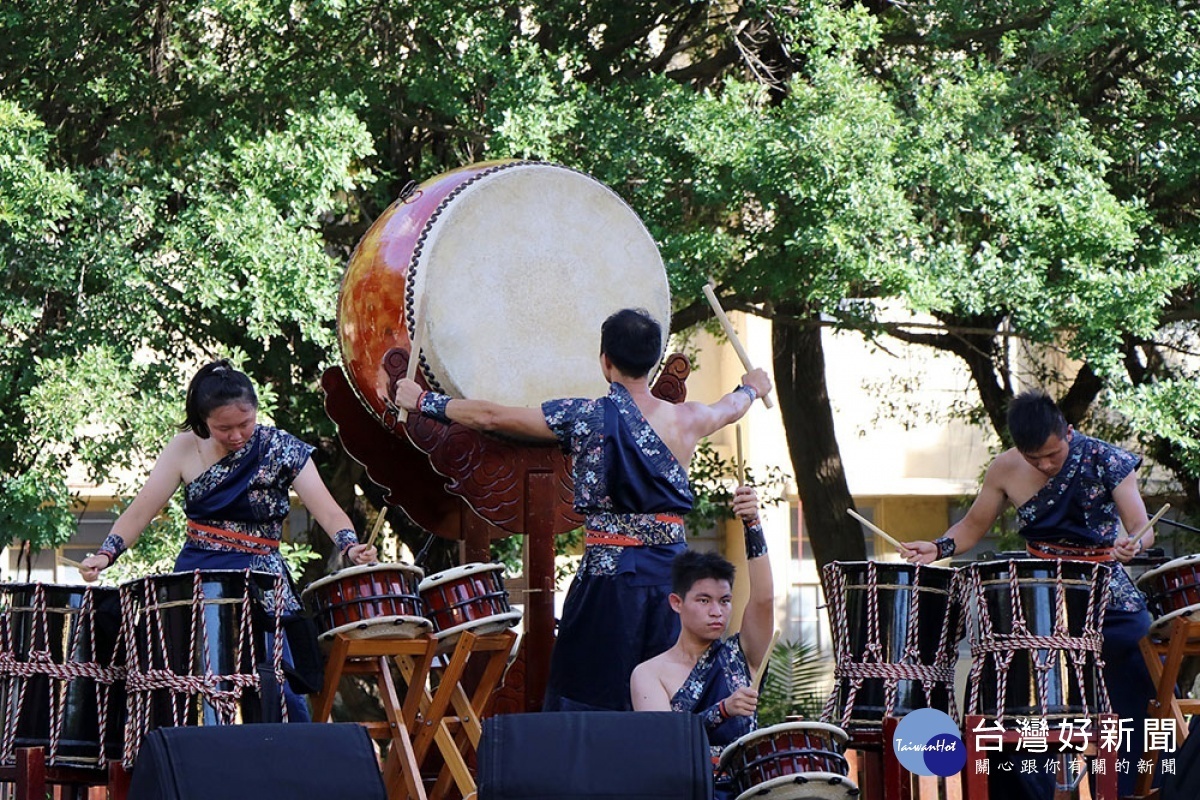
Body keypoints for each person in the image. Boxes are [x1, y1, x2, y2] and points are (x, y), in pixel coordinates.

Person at [394, 307, 772, 712]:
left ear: (605, 361)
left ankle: (589, 772)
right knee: (670, 695)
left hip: (608, 580)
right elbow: (731, 406)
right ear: (654, 360)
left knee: (592, 699)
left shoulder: (585, 417)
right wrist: (751, 387)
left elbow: (491, 417)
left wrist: (424, 400)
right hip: (673, 583)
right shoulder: (689, 419)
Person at [79, 360, 378, 721]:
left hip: (263, 582)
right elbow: (140, 512)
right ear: (203, 421)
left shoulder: (280, 447)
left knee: (278, 689)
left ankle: (285, 767)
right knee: (195, 685)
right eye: (224, 428)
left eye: (245, 424)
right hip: (199, 578)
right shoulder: (183, 448)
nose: (237, 436)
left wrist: (349, 545)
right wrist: (106, 554)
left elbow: (329, 512)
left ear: (256, 411)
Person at [901, 389, 1157, 799]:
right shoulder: (1005, 467)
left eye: (1052, 455)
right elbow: (971, 526)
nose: (1043, 464)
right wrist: (937, 548)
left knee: (1136, 646)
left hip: (1102, 588)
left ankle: (1134, 788)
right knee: (1004, 673)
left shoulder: (1106, 459)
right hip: (1037, 596)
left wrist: (1134, 545)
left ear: (1068, 433)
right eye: (1033, 456)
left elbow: (1143, 529)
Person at [630, 486, 774, 799]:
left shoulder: (743, 655)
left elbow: (763, 599)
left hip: (750, 789)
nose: (716, 611)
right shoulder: (649, 673)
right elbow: (666, 745)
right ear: (676, 602)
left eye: (725, 601)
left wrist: (753, 524)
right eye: (704, 600)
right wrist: (722, 710)